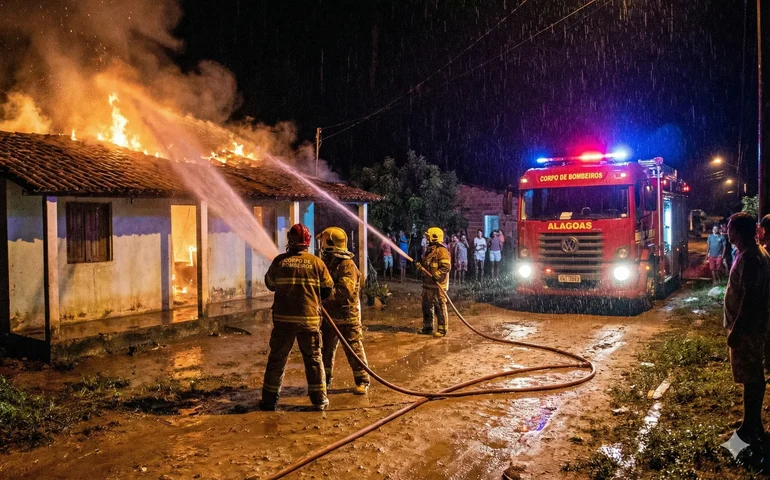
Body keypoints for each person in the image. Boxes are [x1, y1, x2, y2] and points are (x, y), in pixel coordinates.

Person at [260, 224, 334, 411]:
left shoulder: (279, 261)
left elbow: (269, 284)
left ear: (290, 240)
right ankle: (319, 401)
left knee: (277, 360)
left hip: (283, 322)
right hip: (308, 321)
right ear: (308, 242)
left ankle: (269, 401)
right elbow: (327, 289)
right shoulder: (317, 263)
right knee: (313, 360)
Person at [724, 212, 770, 445]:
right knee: (751, 376)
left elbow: (750, 297)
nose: (726, 231)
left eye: (730, 227)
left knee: (752, 377)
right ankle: (750, 422)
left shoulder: (751, 257)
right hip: (752, 326)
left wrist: (737, 329)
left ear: (739, 231)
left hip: (748, 328)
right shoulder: (751, 253)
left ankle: (752, 426)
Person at [317, 227, 370, 396]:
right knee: (326, 350)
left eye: (323, 241)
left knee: (353, 349)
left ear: (330, 243)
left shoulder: (347, 265)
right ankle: (325, 380)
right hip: (329, 316)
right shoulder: (327, 262)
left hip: (348, 316)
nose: (321, 245)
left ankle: (362, 380)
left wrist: (323, 295)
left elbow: (345, 290)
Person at [417, 227, 452, 337]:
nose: (427, 239)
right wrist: (420, 266)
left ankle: (442, 330)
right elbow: (427, 265)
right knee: (426, 306)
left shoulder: (442, 251)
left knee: (439, 306)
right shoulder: (430, 250)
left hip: (438, 285)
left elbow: (446, 267)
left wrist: (436, 275)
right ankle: (428, 327)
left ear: (434, 238)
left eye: (428, 237)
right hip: (428, 284)